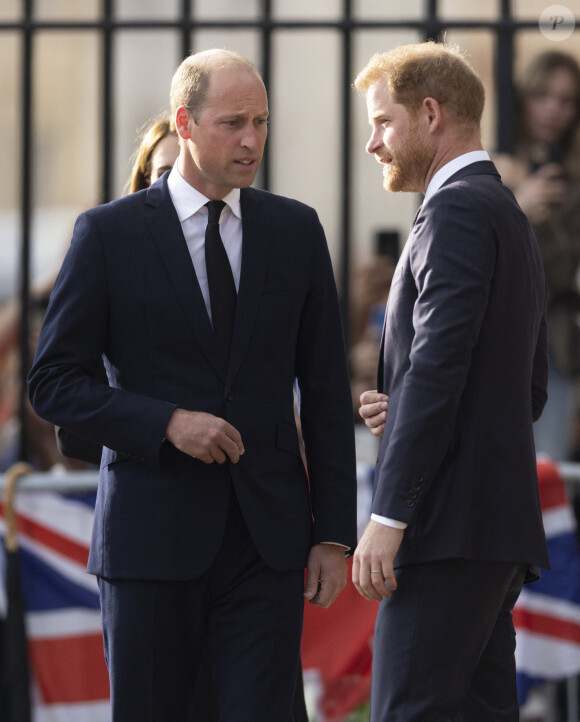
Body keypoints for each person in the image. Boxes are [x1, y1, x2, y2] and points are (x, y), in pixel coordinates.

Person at [28, 49, 356, 721]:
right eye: (234, 122)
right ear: (184, 123)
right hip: (149, 540)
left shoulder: (295, 230)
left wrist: (333, 535)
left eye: (261, 122)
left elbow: (324, 391)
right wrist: (167, 422)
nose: (252, 139)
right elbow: (54, 383)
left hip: (265, 543)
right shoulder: (108, 234)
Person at [351, 42, 550, 721]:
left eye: (382, 122)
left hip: (447, 530)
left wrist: (388, 514)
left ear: (430, 113)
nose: (373, 143)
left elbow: (441, 367)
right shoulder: (505, 213)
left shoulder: (456, 212)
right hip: (488, 533)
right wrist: (403, 403)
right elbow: (523, 390)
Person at [494, 51, 580, 462]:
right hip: (493, 333)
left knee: (548, 470)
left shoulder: (573, 176)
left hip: (557, 341)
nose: (553, 110)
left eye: (566, 100)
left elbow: (564, 268)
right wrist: (517, 204)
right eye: (543, 95)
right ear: (523, 96)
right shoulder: (491, 166)